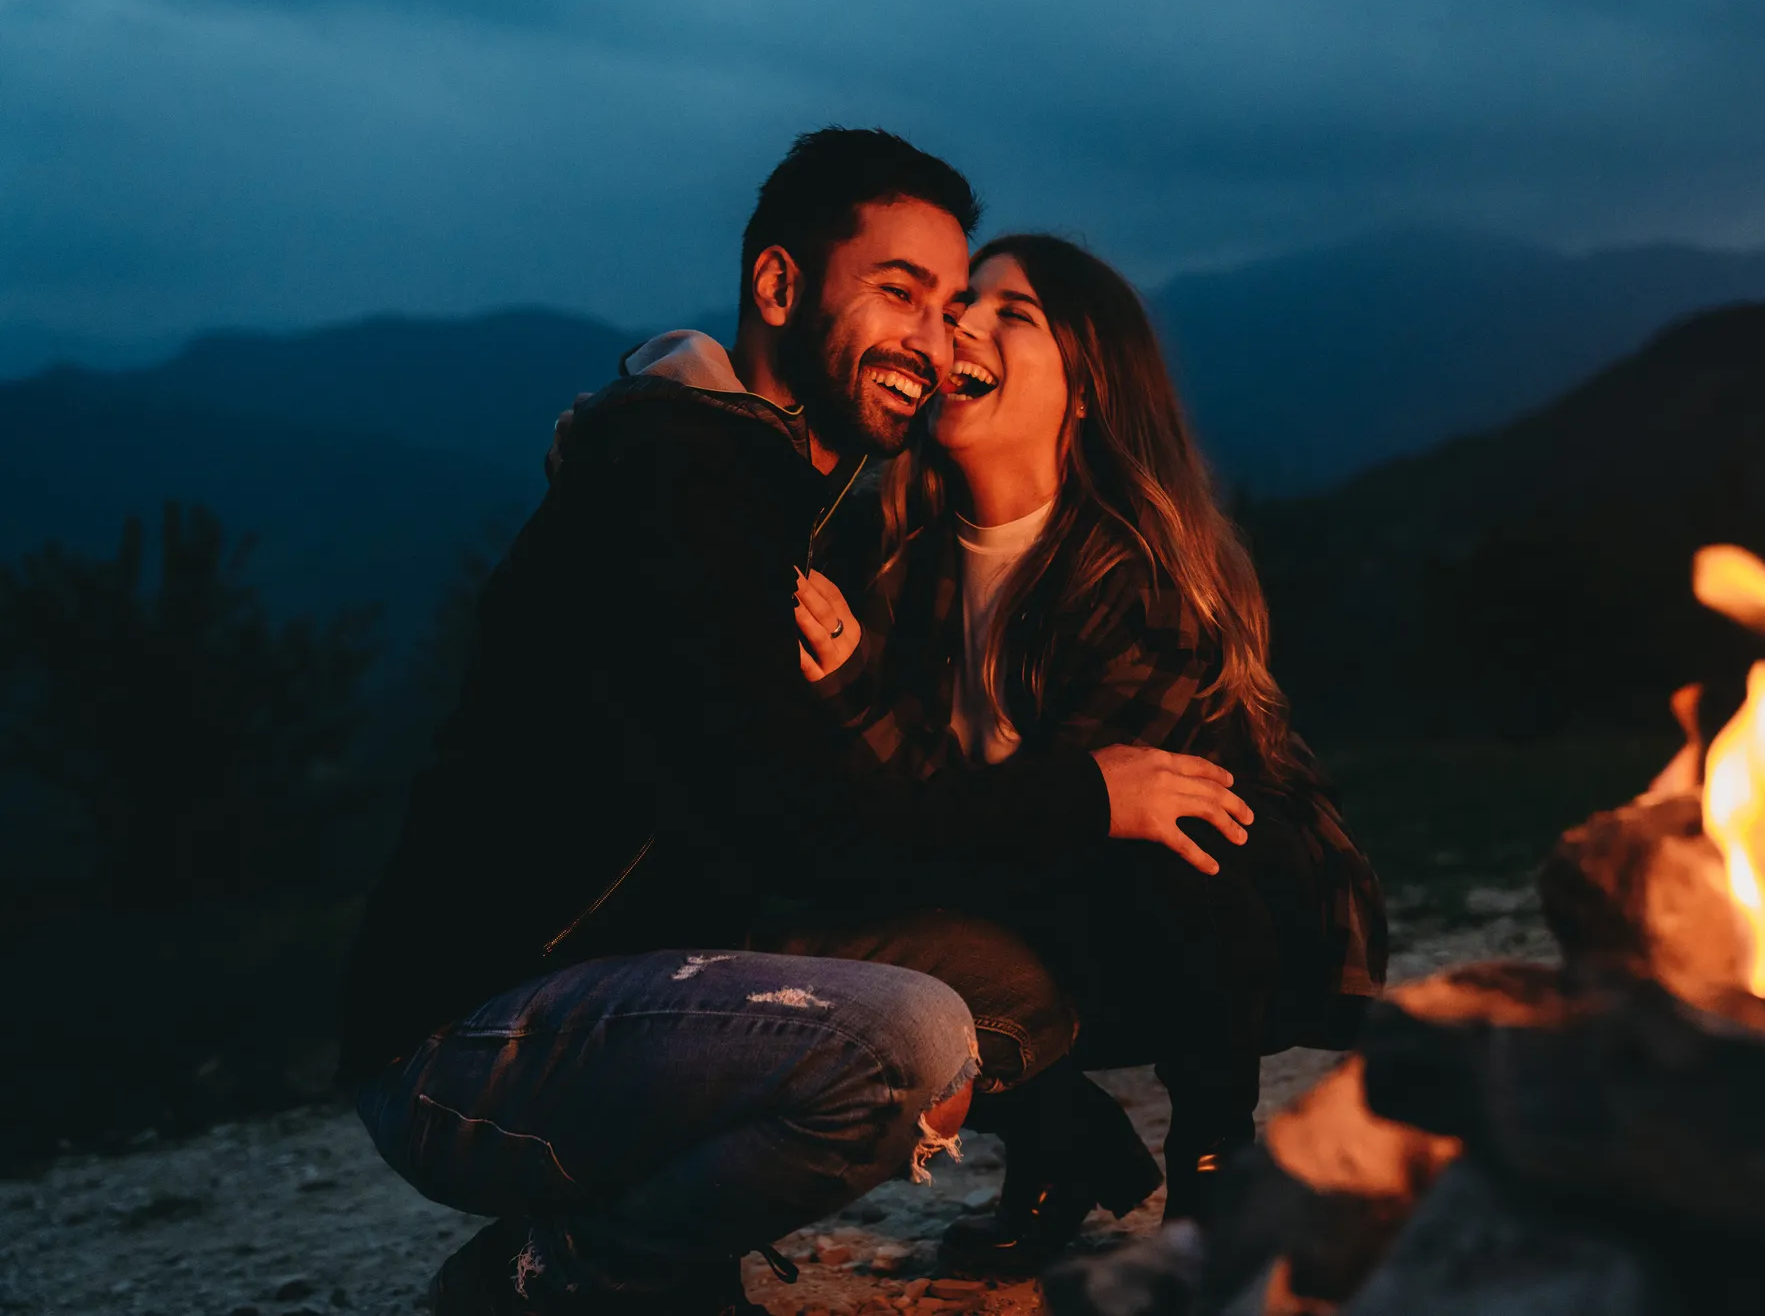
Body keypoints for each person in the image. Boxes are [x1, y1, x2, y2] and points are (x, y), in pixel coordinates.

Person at [338, 130, 1253, 1316]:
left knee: (1008, 989)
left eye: (949, 305)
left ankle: (650, 1236)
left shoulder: (771, 485)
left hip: (621, 983)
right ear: (778, 286)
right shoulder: (683, 481)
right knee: (911, 1037)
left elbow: (785, 806)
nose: (932, 342)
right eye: (896, 294)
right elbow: (810, 825)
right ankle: (576, 1273)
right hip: (470, 1040)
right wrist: (1091, 793)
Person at [790, 233, 1389, 1274]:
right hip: (1038, 909)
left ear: (1085, 389)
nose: (959, 326)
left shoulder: (1139, 578)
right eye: (955, 306)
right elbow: (891, 818)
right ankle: (1062, 1150)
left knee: (1173, 833)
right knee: (856, 905)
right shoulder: (905, 573)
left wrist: (852, 698)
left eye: (1008, 313)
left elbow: (1051, 826)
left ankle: (1213, 1164)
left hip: (1224, 924)